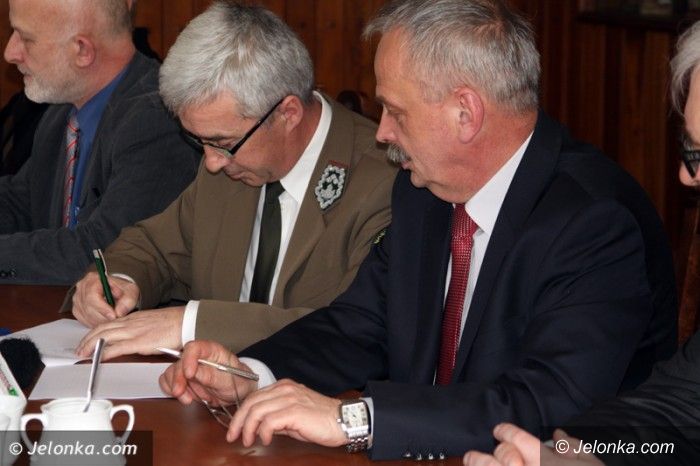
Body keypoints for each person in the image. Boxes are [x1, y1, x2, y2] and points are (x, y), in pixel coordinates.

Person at [159, 0, 677, 460]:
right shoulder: (423, 191)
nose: (382, 132)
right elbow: (359, 324)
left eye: (396, 111)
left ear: (465, 113)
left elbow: (546, 402)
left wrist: (356, 420)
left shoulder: (594, 222)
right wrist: (252, 374)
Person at [70, 1, 395, 359]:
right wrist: (118, 280)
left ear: (288, 113)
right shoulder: (229, 167)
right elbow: (154, 247)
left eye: (223, 143)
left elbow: (350, 329)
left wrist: (189, 324)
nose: (211, 162)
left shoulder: (385, 182)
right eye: (200, 141)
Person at [463, 18, 700, 466]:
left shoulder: (595, 214)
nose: (687, 176)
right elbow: (673, 412)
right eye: (690, 149)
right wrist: (574, 454)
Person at [0, 0, 200, 284]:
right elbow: (21, 202)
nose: (10, 53)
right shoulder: (62, 113)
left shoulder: (157, 122)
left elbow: (104, 252)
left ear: (82, 51)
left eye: (26, 38)